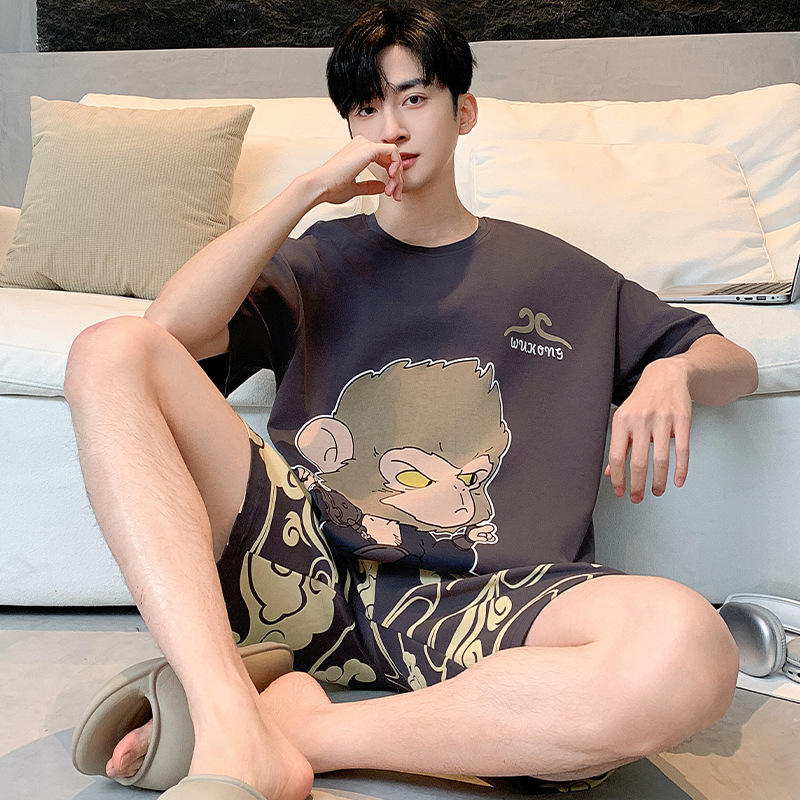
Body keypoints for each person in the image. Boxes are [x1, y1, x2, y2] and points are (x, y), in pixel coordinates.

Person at [64, 3, 757, 799]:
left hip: (489, 603)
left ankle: (292, 734)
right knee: (107, 346)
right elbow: (164, 333)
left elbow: (731, 363)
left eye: (414, 98)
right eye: (367, 108)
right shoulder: (314, 261)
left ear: (465, 111)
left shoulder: (560, 275)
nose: (391, 127)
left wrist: (672, 371)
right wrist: (304, 192)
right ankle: (226, 714)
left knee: (691, 650)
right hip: (306, 575)